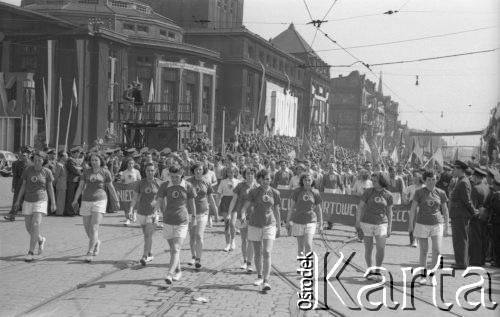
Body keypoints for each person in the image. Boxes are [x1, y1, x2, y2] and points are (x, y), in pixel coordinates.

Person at [72, 153, 120, 262]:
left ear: (100, 161)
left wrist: (116, 200)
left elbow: (111, 187)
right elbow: (80, 186)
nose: (94, 162)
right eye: (92, 160)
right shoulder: (86, 172)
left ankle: (89, 251)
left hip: (100, 200)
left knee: (94, 227)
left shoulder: (105, 172)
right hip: (86, 200)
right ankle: (96, 242)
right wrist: (75, 200)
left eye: (96, 160)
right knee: (87, 228)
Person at [241, 169, 281, 291]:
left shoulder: (275, 192)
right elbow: (245, 207)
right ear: (259, 179)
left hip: (270, 224)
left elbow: (277, 210)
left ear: (271, 180)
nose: (265, 181)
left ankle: (266, 280)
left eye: (268, 179)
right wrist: (242, 214)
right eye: (263, 179)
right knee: (257, 253)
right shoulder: (254, 192)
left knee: (267, 252)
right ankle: (259, 275)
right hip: (255, 224)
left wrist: (279, 226)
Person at [155, 166, 196, 284]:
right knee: (173, 249)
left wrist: (194, 218)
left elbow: (192, 203)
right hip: (168, 220)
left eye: (177, 177)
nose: (174, 179)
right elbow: (159, 201)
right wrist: (155, 212)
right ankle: (178, 271)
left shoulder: (187, 186)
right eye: (172, 177)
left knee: (176, 248)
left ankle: (169, 273)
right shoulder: (165, 185)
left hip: (182, 221)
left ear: (182, 174)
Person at [13, 151, 56, 261]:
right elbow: (23, 185)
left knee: (35, 224)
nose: (37, 161)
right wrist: (18, 200)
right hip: (28, 200)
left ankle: (30, 252)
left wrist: (53, 202)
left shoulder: (47, 172)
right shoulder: (28, 170)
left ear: (43, 160)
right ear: (33, 160)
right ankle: (40, 240)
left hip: (41, 200)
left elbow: (50, 188)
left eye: (40, 159)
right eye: (35, 159)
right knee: (29, 227)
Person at [409, 171, 449, 284]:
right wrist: (410, 225)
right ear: (425, 181)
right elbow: (413, 209)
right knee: (424, 251)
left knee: (437, 250)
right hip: (422, 223)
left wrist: (446, 226)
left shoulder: (441, 192)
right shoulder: (419, 192)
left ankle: (432, 274)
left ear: (436, 180)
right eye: (429, 180)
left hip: (437, 223)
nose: (431, 182)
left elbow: (445, 210)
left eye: (433, 179)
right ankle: (423, 276)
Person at [355, 172, 393, 281]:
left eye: (375, 181)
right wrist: (357, 222)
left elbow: (389, 212)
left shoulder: (388, 195)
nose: (373, 182)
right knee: (369, 248)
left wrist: (390, 226)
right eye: (372, 180)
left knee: (380, 248)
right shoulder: (368, 192)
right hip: (367, 223)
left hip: (381, 223)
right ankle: (370, 270)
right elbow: (360, 207)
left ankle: (378, 270)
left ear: (382, 181)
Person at [186, 162, 218, 268]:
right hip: (191, 212)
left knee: (199, 235)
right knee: (192, 237)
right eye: (196, 170)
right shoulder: (188, 182)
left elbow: (211, 198)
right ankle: (193, 256)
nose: (198, 171)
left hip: (203, 212)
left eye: (200, 169)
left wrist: (216, 212)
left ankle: (198, 259)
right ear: (193, 171)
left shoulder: (206, 181)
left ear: (203, 170)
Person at [129, 163, 161, 266]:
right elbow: (135, 198)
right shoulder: (140, 183)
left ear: (155, 171)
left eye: (152, 170)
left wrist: (162, 212)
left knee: (148, 234)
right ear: (145, 171)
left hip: (153, 213)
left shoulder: (159, 183)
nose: (150, 172)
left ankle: (144, 256)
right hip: (141, 212)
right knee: (147, 235)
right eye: (148, 170)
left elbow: (162, 199)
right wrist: (131, 209)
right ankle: (150, 252)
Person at [449, 160, 479, 269]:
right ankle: (461, 261)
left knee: (460, 239)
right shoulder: (461, 181)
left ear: (460, 169)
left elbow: (467, 200)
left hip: (460, 215)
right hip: (458, 214)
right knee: (459, 239)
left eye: (454, 169)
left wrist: (474, 211)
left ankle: (461, 263)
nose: (453, 171)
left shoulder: (463, 182)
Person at [228, 167, 259, 272]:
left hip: (254, 217)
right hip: (242, 216)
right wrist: (229, 213)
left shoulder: (258, 187)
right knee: (244, 239)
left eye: (252, 173)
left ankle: (249, 262)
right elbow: (233, 200)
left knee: (251, 240)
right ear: (244, 175)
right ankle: (245, 261)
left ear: (255, 175)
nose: (250, 175)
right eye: (247, 174)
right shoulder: (240, 186)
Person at [286, 173, 323, 257]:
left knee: (308, 244)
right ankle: (302, 265)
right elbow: (291, 207)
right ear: (302, 181)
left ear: (312, 181)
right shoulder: (297, 191)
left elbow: (319, 209)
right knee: (301, 246)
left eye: (309, 180)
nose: (307, 182)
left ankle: (307, 267)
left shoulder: (315, 192)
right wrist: (288, 221)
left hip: (311, 221)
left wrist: (321, 224)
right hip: (298, 221)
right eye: (305, 180)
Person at [468, 168, 490, 266]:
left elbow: (472, 205)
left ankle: (475, 260)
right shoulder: (487, 187)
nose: (472, 178)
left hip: (476, 217)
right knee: (483, 238)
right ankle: (482, 259)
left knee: (475, 239)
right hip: (485, 216)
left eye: (473, 176)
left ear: (476, 177)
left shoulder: (475, 188)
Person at [217, 166, 241, 251]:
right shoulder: (223, 182)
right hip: (225, 202)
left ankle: (233, 241)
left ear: (235, 172)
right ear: (226, 173)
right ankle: (227, 244)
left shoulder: (238, 182)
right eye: (229, 172)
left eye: (232, 172)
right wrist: (218, 202)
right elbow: (219, 193)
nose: (230, 174)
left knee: (233, 224)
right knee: (226, 224)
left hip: (234, 202)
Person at [5, 148, 31, 221]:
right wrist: (13, 186)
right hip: (19, 183)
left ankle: (30, 216)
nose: (23, 157)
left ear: (28, 156)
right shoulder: (17, 164)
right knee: (16, 200)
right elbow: (15, 176)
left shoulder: (31, 164)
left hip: (29, 184)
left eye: (25, 155)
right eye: (22, 155)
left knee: (29, 200)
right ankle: (12, 216)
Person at [121, 157, 141, 226]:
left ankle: (134, 214)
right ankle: (127, 219)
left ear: (134, 164)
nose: (130, 165)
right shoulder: (124, 172)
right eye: (129, 163)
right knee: (127, 204)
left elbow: (139, 180)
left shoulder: (137, 171)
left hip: (135, 190)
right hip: (127, 190)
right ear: (127, 164)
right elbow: (122, 181)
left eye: (132, 163)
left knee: (135, 203)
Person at [65, 146, 83, 216]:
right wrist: (80, 172)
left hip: (77, 180)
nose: (79, 154)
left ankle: (75, 211)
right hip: (72, 181)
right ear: (74, 153)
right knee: (71, 197)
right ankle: (69, 211)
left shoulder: (77, 160)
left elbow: (80, 168)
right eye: (78, 153)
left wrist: (79, 170)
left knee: (77, 197)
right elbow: (75, 170)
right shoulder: (70, 160)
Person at [53, 151, 68, 216]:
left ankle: (60, 211)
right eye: (66, 156)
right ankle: (59, 212)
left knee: (61, 199)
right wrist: (54, 183)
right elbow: (56, 176)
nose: (67, 157)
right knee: (60, 199)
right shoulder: (59, 165)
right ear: (62, 157)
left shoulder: (64, 164)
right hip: (60, 184)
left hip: (63, 184)